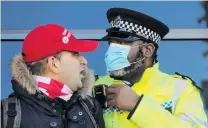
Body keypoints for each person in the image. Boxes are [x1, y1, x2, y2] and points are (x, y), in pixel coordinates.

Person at [93, 8, 208, 128]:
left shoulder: (180, 89)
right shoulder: (94, 88)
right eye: (111, 43)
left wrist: (137, 105)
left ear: (148, 50)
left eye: (122, 43)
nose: (112, 50)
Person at [1, 24, 104, 128]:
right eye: (75, 53)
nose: (84, 61)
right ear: (54, 64)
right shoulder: (5, 115)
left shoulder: (91, 108)